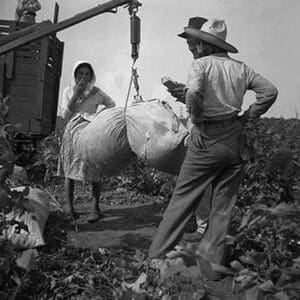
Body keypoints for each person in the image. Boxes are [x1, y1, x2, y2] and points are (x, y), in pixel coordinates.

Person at [149, 18, 278, 279]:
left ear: (206, 44)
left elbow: (196, 93)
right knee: (223, 207)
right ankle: (212, 267)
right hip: (235, 140)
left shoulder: (201, 65)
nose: (191, 47)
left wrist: (196, 119)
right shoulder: (241, 68)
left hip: (207, 138)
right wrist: (248, 116)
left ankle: (156, 260)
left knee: (182, 200)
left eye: (194, 43)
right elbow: (270, 92)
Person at [58, 61, 115, 222]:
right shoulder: (68, 90)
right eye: (80, 74)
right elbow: (65, 114)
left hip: (91, 133)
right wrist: (76, 95)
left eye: (87, 74)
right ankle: (69, 208)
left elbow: (112, 104)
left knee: (94, 169)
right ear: (75, 75)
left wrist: (98, 116)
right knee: (69, 171)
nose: (83, 77)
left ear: (91, 77)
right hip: (72, 133)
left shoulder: (96, 92)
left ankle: (95, 208)